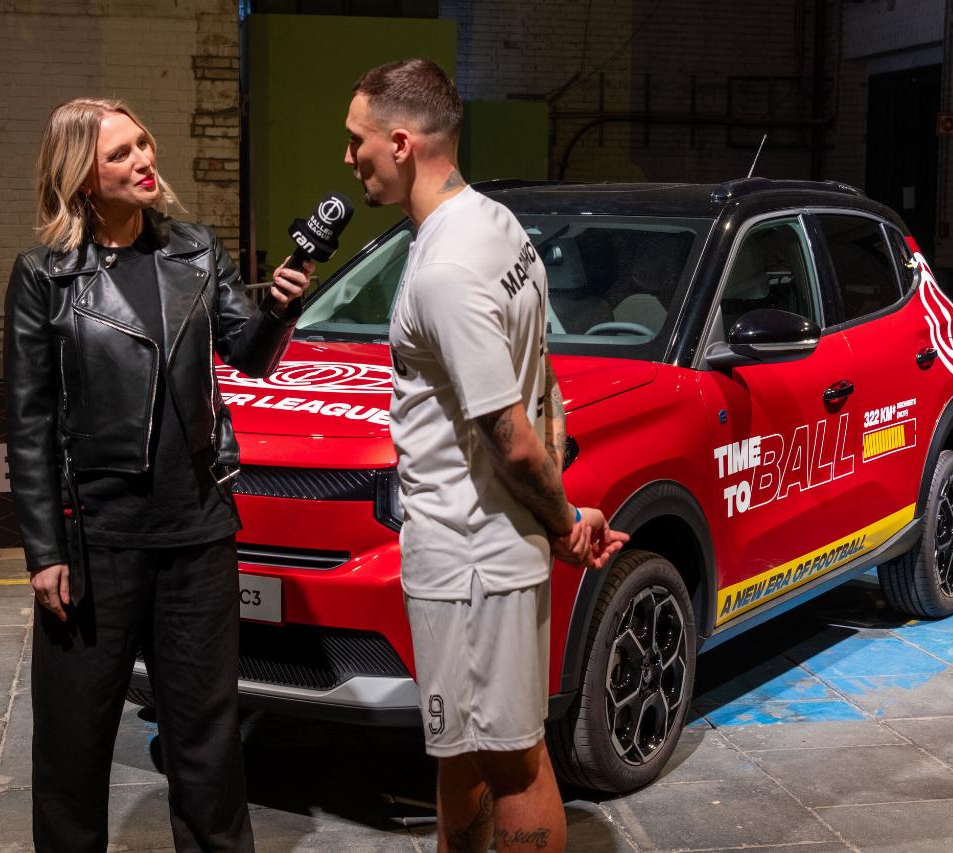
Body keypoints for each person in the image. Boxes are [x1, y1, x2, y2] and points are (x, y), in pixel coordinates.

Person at [4, 97, 311, 853]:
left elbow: (249, 355)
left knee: (207, 741)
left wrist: (278, 309)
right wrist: (44, 550)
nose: (144, 160)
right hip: (94, 541)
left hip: (196, 532)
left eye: (143, 143)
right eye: (120, 153)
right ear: (81, 176)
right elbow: (29, 421)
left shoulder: (196, 250)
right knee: (73, 744)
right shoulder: (44, 276)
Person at [344, 60, 629, 852]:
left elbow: (512, 434)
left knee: (510, 760)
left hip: (472, 558)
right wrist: (558, 516)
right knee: (461, 750)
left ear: (402, 143)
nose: (349, 157)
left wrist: (564, 522)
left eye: (358, 140)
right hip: (485, 550)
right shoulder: (496, 225)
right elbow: (542, 373)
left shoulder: (444, 269)